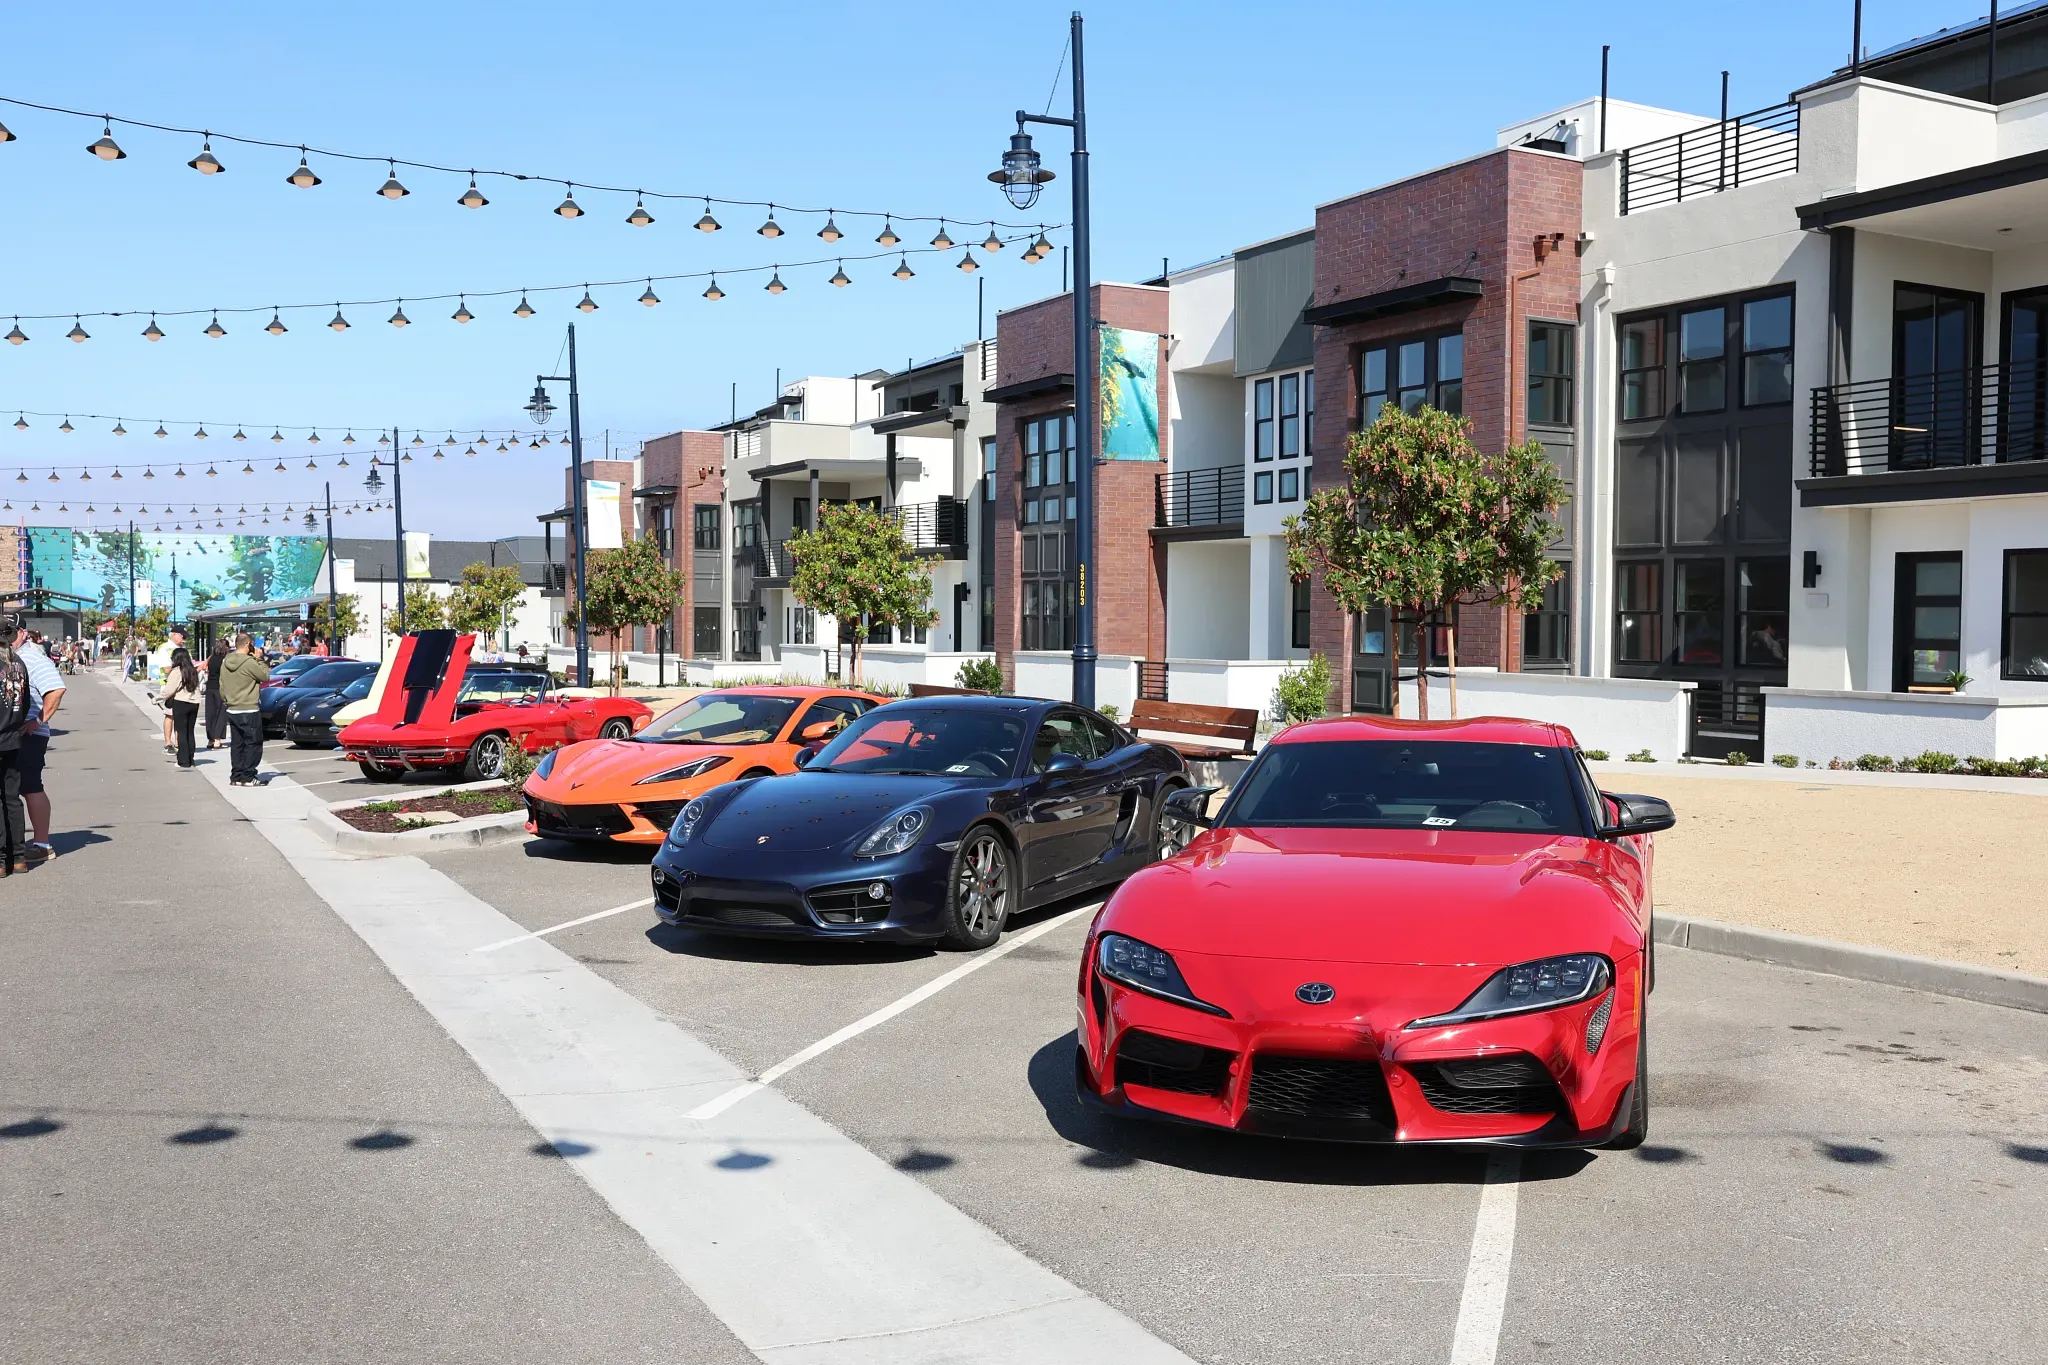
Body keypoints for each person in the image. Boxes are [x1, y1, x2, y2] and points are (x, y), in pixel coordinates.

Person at [4, 615, 64, 867]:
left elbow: (56, 688)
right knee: (11, 790)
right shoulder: (10, 657)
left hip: (29, 733)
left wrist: (38, 721)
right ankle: (13, 845)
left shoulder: (32, 658)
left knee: (29, 786)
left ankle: (41, 844)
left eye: (10, 632)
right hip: (11, 731)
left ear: (23, 633)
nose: (6, 637)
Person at [218, 632, 271, 786]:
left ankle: (236, 775)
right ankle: (248, 776)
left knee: (237, 744)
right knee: (253, 744)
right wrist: (260, 659)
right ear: (248, 644)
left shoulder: (226, 661)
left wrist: (227, 701)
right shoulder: (249, 662)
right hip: (248, 708)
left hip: (232, 708)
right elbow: (265, 676)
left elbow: (221, 685)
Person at [0, 638, 29, 875]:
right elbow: (26, 701)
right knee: (12, 797)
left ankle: (1, 859)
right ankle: (18, 856)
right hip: (12, 736)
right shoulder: (18, 663)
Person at [156, 647, 204, 770]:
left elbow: (169, 690)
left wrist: (157, 698)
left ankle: (183, 760)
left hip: (181, 702)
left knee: (181, 732)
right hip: (194, 702)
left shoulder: (177, 671)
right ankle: (190, 759)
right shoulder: (193, 670)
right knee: (190, 732)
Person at [203, 639, 230, 749]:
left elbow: (205, 668)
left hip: (210, 687)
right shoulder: (225, 660)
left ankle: (210, 740)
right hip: (220, 688)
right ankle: (217, 740)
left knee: (210, 714)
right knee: (221, 714)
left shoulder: (211, 658)